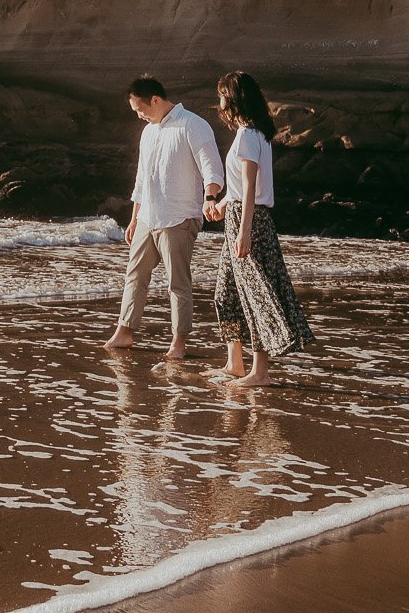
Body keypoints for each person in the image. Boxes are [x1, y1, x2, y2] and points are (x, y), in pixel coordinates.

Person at [104, 76, 224, 359]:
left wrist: (209, 199)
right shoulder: (148, 132)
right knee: (134, 275)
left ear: (155, 100)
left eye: (139, 109)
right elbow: (142, 180)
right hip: (148, 216)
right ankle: (125, 331)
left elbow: (212, 169)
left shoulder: (193, 125)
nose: (139, 115)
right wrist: (134, 219)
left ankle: (178, 342)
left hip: (180, 217)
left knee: (177, 282)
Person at [208, 71, 313, 386]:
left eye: (222, 96)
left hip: (249, 220)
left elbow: (251, 188)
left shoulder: (248, 135)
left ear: (234, 98)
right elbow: (241, 189)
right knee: (226, 294)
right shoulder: (252, 133)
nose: (220, 103)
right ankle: (234, 364)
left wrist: (244, 230)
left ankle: (260, 373)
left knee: (256, 295)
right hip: (240, 215)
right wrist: (222, 205)